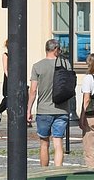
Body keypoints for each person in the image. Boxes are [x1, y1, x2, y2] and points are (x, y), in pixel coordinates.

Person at [27, 38, 71, 169]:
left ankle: (44, 172)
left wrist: (29, 109)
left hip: (44, 110)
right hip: (61, 109)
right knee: (58, 143)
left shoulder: (37, 66)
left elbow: (33, 90)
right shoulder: (65, 64)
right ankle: (57, 172)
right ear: (56, 49)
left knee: (44, 143)